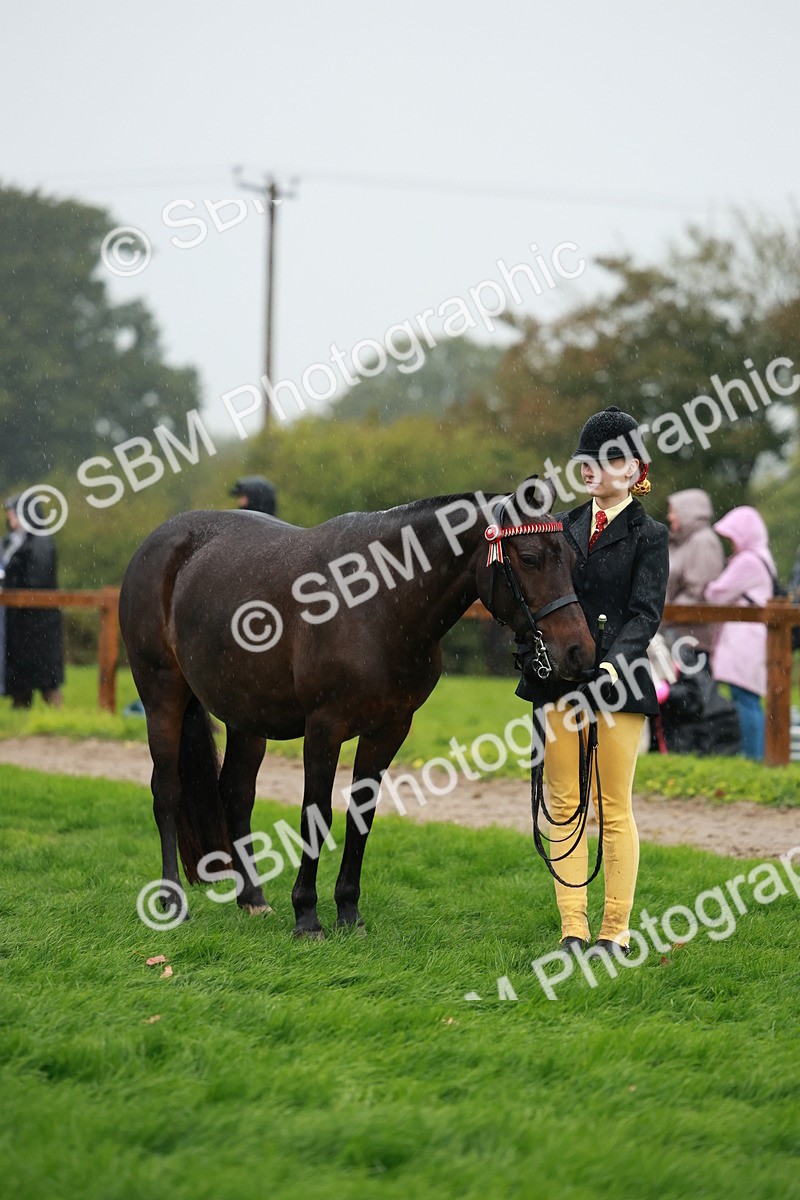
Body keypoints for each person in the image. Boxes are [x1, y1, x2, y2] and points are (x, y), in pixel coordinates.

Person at [516, 406, 669, 959]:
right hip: (561, 682)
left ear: (634, 469)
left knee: (612, 808)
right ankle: (573, 930)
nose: (591, 469)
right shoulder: (560, 527)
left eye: (606, 460)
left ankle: (615, 931)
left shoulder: (648, 534)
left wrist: (612, 663)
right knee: (563, 804)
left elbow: (645, 613)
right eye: (586, 459)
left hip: (618, 684)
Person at [705, 506, 775, 761]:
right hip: (753, 636)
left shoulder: (747, 561)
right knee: (749, 698)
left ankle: (752, 757)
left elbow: (716, 594)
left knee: (744, 698)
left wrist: (710, 585)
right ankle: (754, 756)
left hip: (743, 637)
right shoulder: (763, 557)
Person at [2, 496, 64, 708]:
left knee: (46, 681)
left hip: (38, 625)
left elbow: (37, 582)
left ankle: (62, 723)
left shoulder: (40, 542)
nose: (9, 516)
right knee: (21, 683)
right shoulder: (14, 541)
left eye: (14, 511)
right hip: (19, 624)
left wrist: (8, 582)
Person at [662, 488, 725, 657]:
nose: (669, 517)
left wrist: (665, 614)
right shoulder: (682, 541)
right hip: (676, 631)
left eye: (673, 511)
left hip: (692, 637)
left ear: (687, 512)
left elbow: (698, 590)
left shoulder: (703, 541)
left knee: (692, 683)